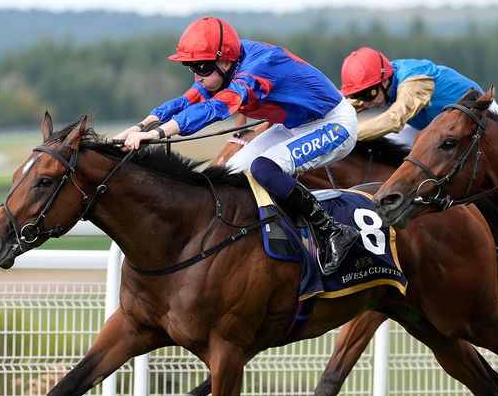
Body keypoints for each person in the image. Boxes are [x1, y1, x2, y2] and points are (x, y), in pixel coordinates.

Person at [115, 17, 360, 275]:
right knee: (231, 175)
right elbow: (187, 101)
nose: (198, 76)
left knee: (263, 169)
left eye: (202, 67)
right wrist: (142, 126)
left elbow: (217, 108)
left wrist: (161, 133)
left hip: (333, 124)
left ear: (224, 61)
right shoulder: (224, 64)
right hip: (291, 125)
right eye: (192, 68)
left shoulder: (259, 66)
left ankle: (333, 230)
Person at [340, 47, 493, 147]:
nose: (365, 102)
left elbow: (393, 119)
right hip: (438, 129)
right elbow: (340, 109)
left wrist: (340, 136)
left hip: (483, 115)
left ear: (385, 80)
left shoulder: (413, 81)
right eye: (358, 95)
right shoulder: (377, 81)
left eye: (369, 94)